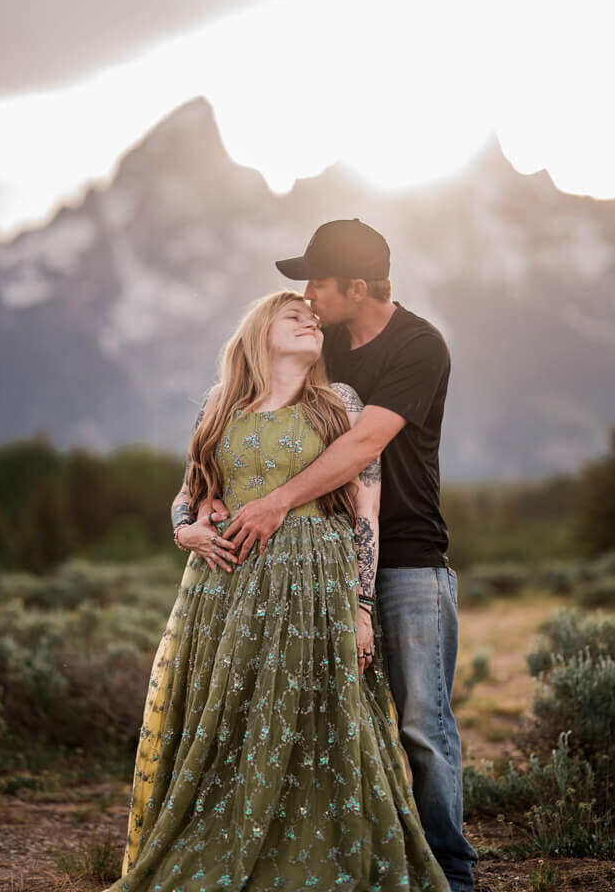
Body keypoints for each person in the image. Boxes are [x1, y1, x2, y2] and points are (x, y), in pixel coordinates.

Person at [111, 290, 449, 892]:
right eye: (295, 316)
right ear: (259, 331)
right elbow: (189, 493)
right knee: (229, 727)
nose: (310, 321)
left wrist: (362, 607)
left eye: (314, 318)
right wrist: (185, 529)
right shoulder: (219, 405)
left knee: (321, 724)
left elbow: (364, 513)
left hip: (315, 584)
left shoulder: (339, 403)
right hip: (227, 589)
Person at [220, 221, 477, 892]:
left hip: (409, 561)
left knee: (422, 725)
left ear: (356, 288)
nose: (306, 295)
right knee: (328, 724)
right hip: (321, 567)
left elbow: (363, 445)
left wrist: (273, 502)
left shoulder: (418, 346)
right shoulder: (323, 342)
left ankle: (449, 873)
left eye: (317, 282)